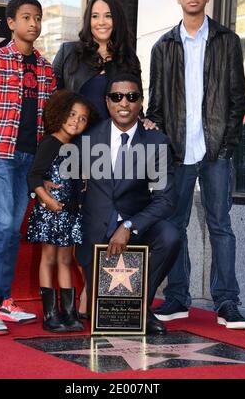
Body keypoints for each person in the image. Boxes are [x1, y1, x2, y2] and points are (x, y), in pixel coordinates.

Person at [146, 0, 245, 329]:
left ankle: (226, 302)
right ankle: (177, 298)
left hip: (215, 149)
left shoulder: (227, 40)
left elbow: (237, 99)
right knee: (175, 224)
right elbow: (155, 105)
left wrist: (226, 147)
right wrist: (160, 147)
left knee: (220, 225)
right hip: (177, 151)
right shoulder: (163, 46)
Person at [53, 0, 155, 317]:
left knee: (105, 218)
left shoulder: (128, 59)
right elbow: (55, 103)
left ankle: (98, 291)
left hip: (114, 152)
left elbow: (134, 102)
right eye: (95, 16)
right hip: (77, 148)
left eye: (107, 15)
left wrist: (146, 120)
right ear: (88, 21)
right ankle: (85, 289)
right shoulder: (70, 53)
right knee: (81, 222)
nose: (101, 22)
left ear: (117, 20)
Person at [0, 0, 56, 335]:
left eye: (37, 18)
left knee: (12, 230)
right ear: (11, 23)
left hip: (30, 160)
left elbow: (50, 122)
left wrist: (45, 168)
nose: (33, 23)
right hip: (1, 155)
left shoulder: (47, 68)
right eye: (26, 17)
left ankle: (3, 301)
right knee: (1, 226)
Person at [75, 73, 181, 335]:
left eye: (131, 97)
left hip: (135, 229)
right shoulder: (86, 138)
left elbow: (166, 199)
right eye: (116, 97)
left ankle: (141, 307)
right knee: (102, 314)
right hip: (94, 232)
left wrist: (130, 226)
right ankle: (115, 306)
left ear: (140, 102)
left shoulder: (157, 141)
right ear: (107, 102)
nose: (124, 103)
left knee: (170, 235)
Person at [27, 90, 99, 332]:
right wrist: (48, 201)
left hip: (69, 214)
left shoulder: (75, 147)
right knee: (48, 259)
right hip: (51, 213)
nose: (76, 121)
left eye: (82, 118)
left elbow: (77, 181)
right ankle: (50, 314)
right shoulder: (50, 142)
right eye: (72, 114)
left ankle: (68, 313)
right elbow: (34, 177)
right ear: (59, 114)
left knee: (66, 260)